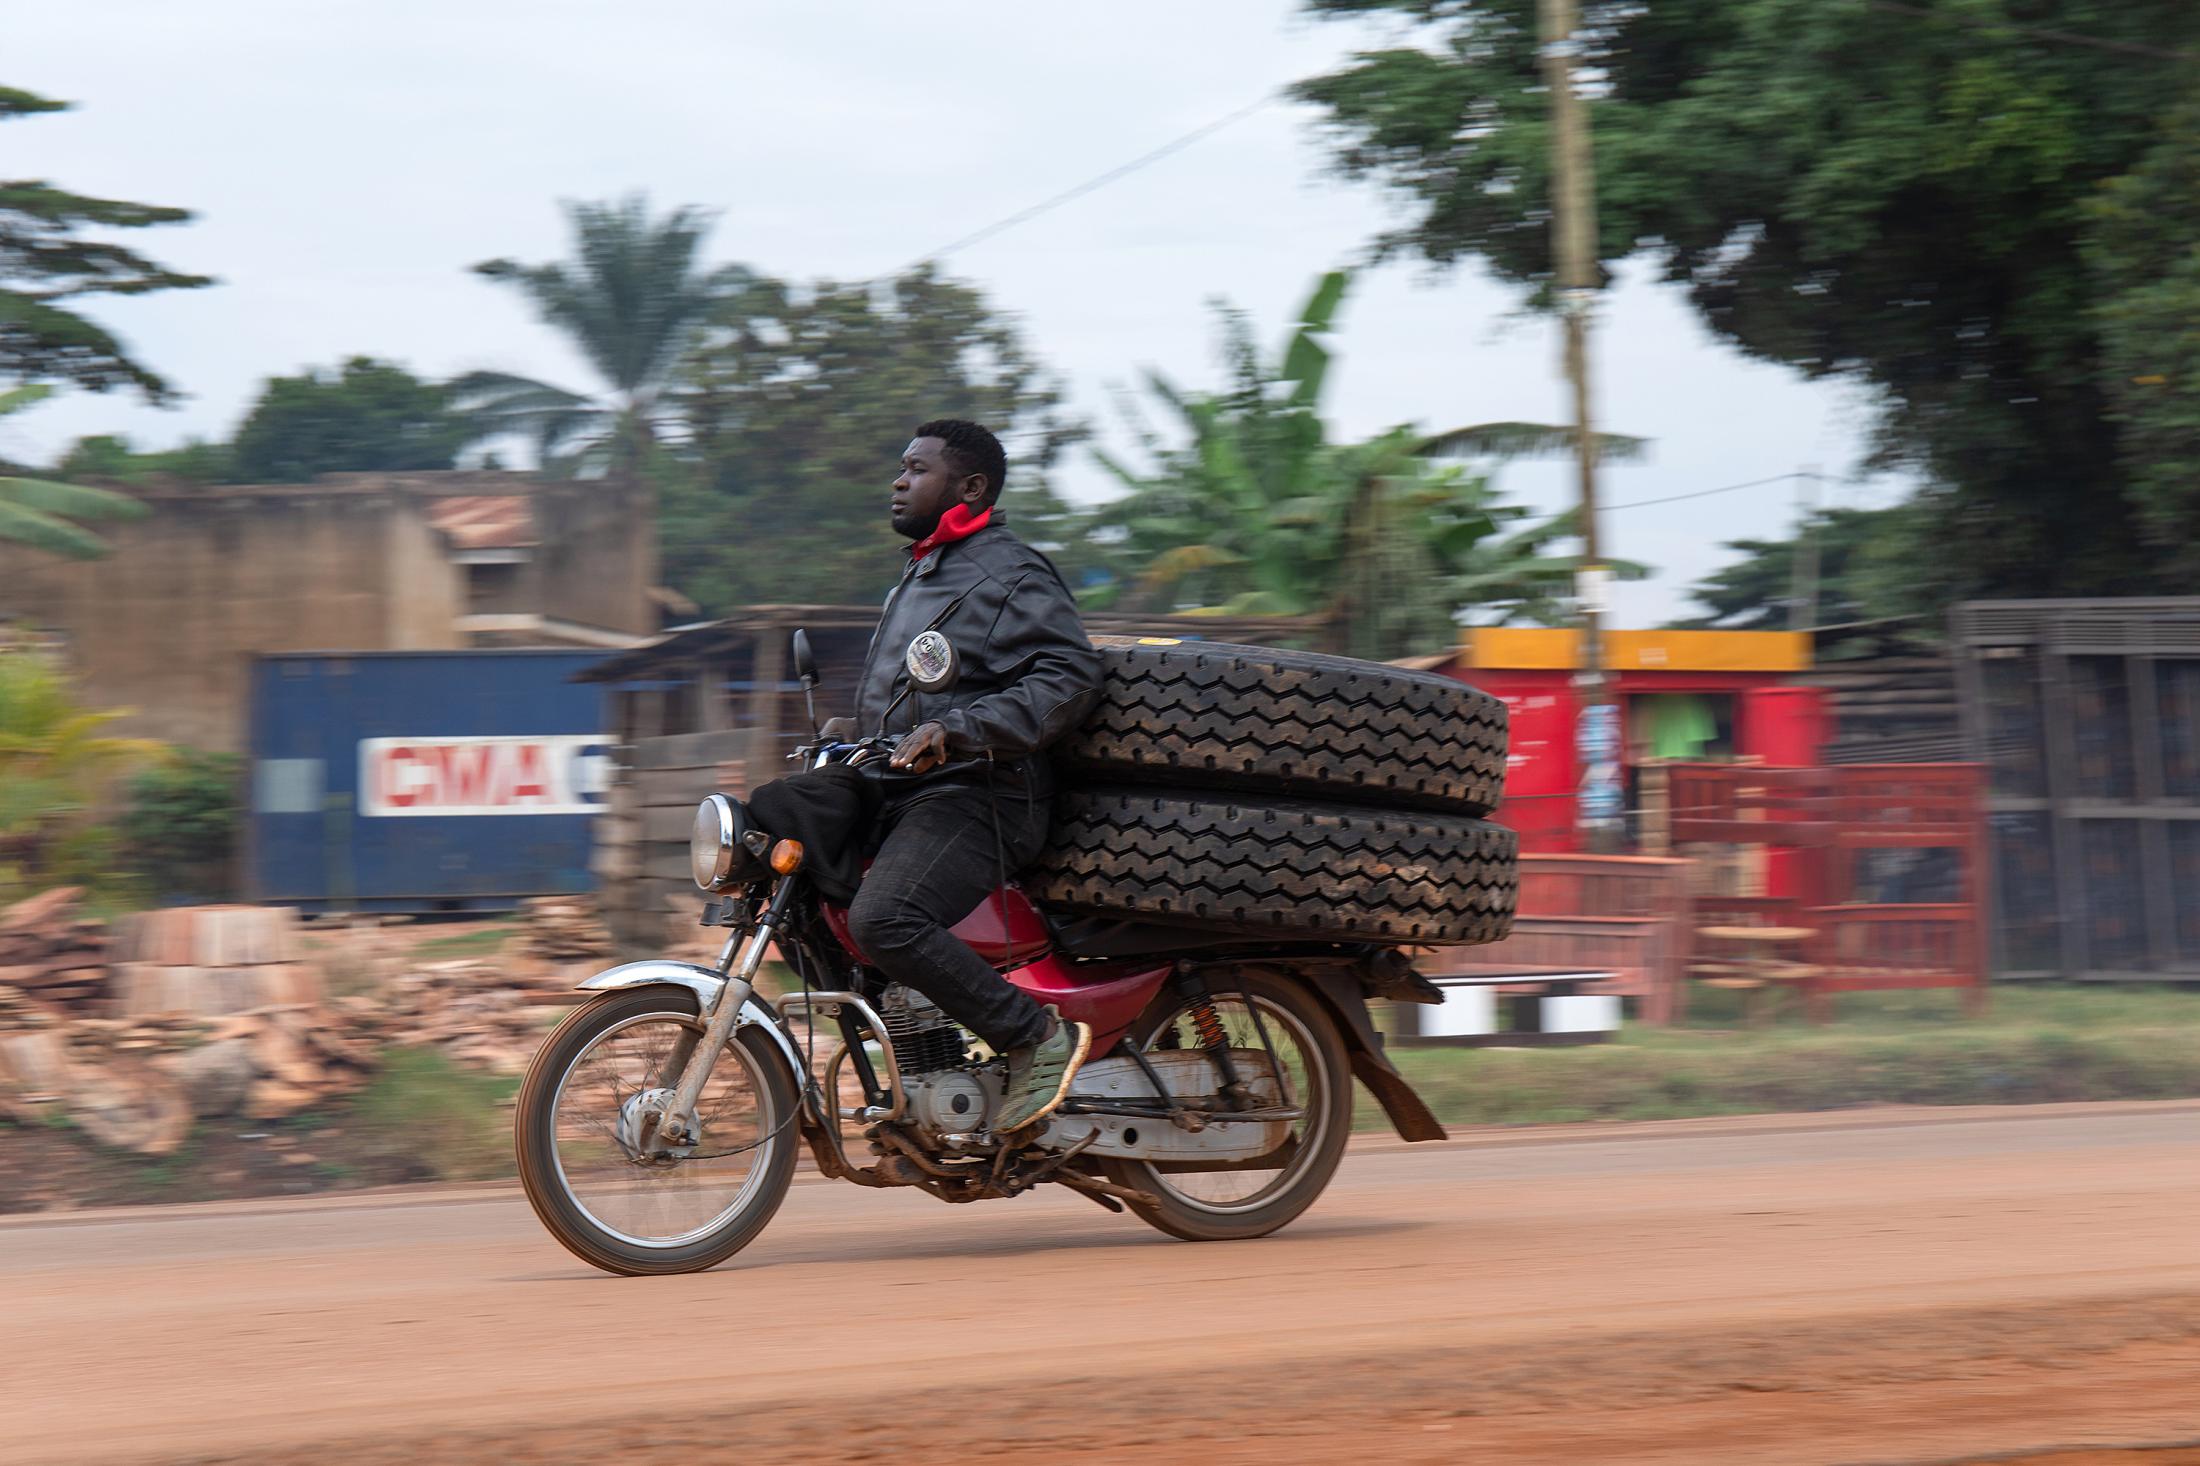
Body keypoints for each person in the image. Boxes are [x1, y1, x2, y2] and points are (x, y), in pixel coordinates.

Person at [825, 419, 1105, 1133]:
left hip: (985, 793)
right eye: (901, 466)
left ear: (970, 486)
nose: (898, 480)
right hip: (913, 793)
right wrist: (849, 742)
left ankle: (1033, 1036)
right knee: (812, 906)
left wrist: (962, 730)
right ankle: (925, 1083)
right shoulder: (923, 573)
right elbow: (921, 693)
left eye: (917, 468)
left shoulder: (1007, 570)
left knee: (883, 918)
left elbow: (1069, 675)